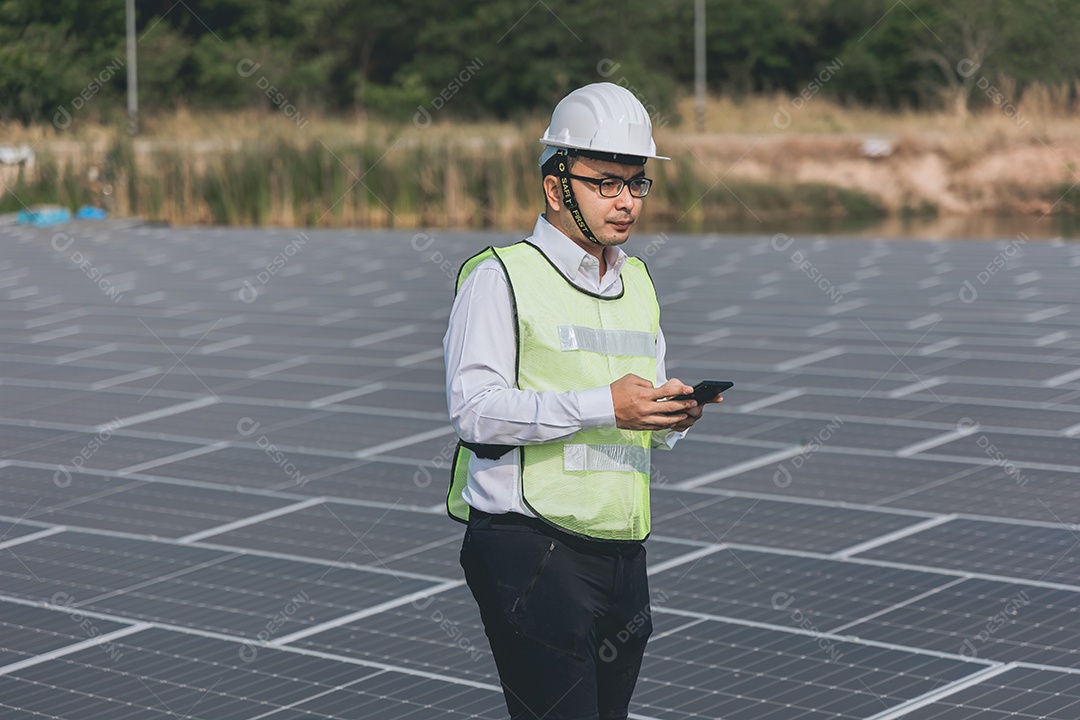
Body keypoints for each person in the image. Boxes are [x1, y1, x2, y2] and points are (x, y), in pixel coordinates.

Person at [442, 82, 721, 720]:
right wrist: (606, 405)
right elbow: (474, 410)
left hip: (622, 552)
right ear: (555, 186)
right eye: (605, 183)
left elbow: (631, 414)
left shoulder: (639, 281)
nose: (626, 201)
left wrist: (669, 417)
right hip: (530, 548)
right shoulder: (500, 276)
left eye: (637, 183)